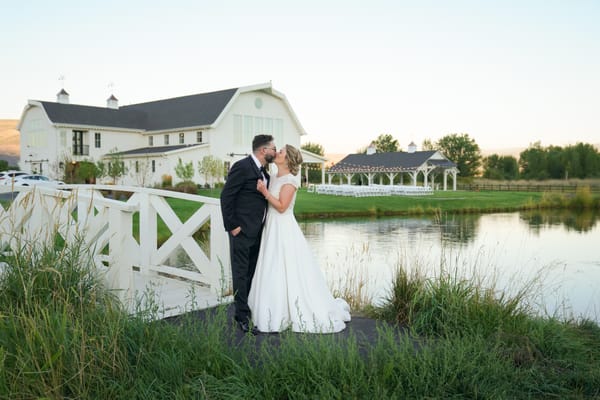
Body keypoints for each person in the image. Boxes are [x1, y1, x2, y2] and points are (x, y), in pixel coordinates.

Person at [248, 144, 351, 333]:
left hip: (283, 228)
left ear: (287, 160)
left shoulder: (290, 181)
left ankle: (287, 312)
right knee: (270, 266)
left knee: (283, 266)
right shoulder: (275, 176)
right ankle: (269, 309)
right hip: (271, 227)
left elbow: (281, 206)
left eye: (281, 152)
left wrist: (264, 192)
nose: (277, 153)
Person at [220, 134, 277, 334]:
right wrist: (233, 226)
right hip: (241, 231)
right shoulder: (242, 166)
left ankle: (249, 310)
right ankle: (241, 317)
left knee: (252, 273)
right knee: (240, 274)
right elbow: (226, 196)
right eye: (273, 148)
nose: (275, 152)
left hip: (257, 231)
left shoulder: (265, 173)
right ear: (263, 150)